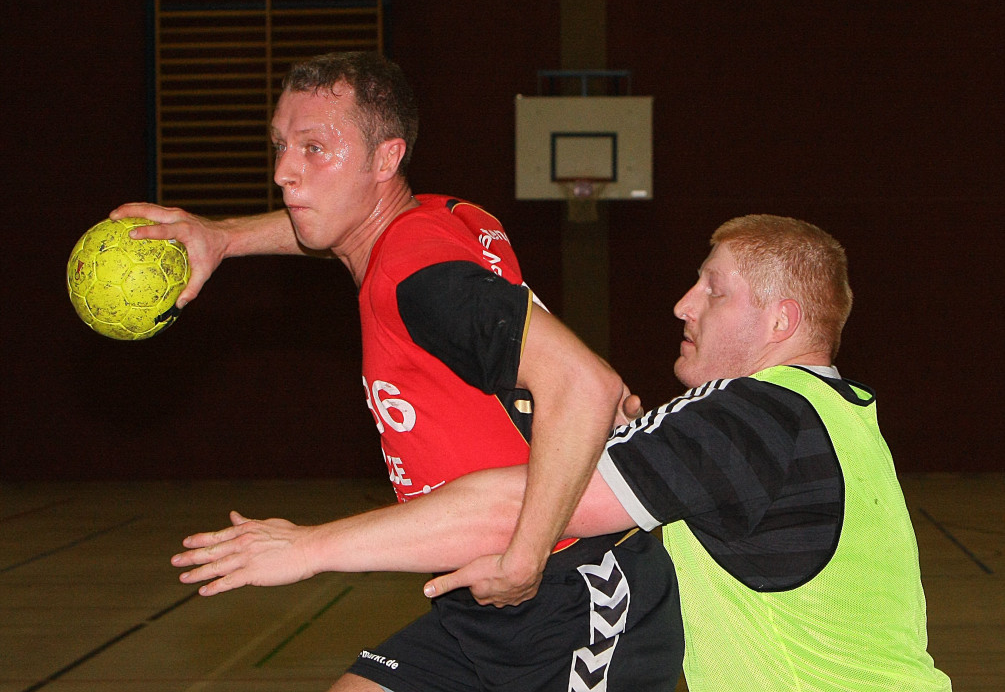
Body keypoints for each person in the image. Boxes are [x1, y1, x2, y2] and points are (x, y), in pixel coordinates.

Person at [176, 214, 952, 691]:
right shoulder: (829, 413)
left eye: (712, 291)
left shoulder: (752, 417)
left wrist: (309, 547)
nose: (682, 304)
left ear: (779, 322)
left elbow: (524, 505)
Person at [118, 50, 683, 692]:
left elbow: (586, 385)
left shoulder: (416, 277)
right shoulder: (442, 219)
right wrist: (224, 237)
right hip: (477, 603)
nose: (283, 172)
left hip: (571, 594)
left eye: (314, 149)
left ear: (386, 158)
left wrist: (524, 558)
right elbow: (339, 226)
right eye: (280, 146)